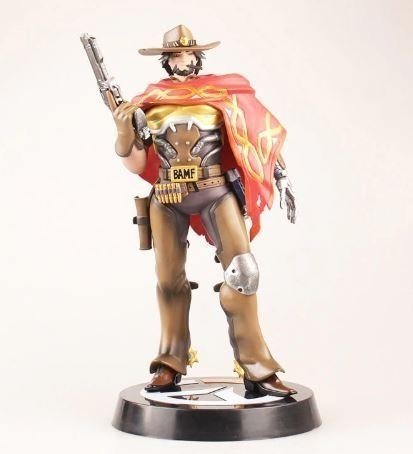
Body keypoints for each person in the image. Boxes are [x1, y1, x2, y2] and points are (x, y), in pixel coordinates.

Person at [109, 25, 297, 397]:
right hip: (167, 196)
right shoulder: (149, 101)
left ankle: (257, 367)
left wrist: (281, 174)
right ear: (166, 60)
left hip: (214, 191)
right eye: (176, 55)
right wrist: (124, 131)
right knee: (168, 281)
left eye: (189, 54)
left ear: (198, 57)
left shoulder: (223, 92)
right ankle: (169, 362)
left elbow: (255, 135)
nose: (183, 60)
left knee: (244, 273)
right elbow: (136, 164)